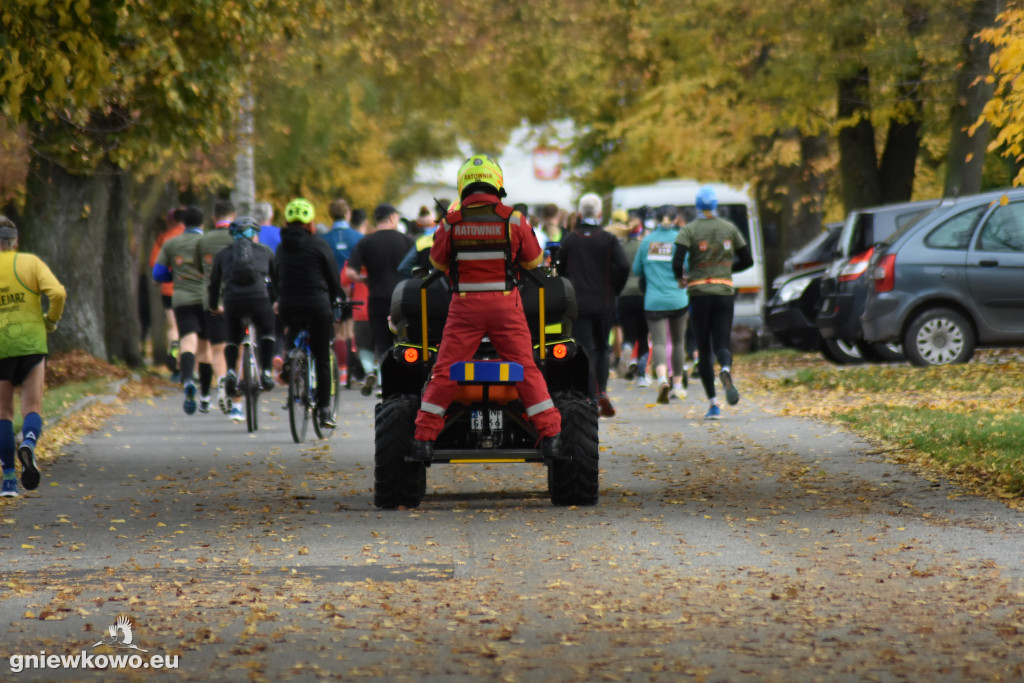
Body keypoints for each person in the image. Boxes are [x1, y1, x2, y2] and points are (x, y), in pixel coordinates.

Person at [411, 154, 561, 462]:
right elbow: (533, 262)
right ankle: (551, 437)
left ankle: (424, 441)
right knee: (525, 369)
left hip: (464, 308)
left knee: (445, 371)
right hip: (506, 307)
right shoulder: (514, 220)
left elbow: (436, 263)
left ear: (463, 186)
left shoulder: (450, 223)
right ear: (497, 183)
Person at [673, 186, 754, 419]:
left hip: (699, 293)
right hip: (724, 292)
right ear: (716, 205)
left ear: (697, 206)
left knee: (704, 347)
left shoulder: (689, 229)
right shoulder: (729, 227)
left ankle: (713, 404)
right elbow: (747, 259)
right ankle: (726, 369)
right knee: (722, 344)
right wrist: (728, 269)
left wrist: (682, 277)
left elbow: (677, 260)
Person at [0, 217, 66, 497]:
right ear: (15, 240)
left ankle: (9, 481)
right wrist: (50, 320)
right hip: (31, 343)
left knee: (3, 413)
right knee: (32, 408)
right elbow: (58, 293)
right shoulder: (30, 263)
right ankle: (28, 441)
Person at [556, 193, 629, 417]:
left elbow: (559, 268)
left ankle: (588, 395)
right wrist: (615, 289)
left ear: (579, 214)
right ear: (599, 214)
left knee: (584, 351)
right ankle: (602, 391)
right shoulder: (608, 239)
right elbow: (624, 266)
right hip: (604, 303)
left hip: (578, 305)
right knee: (602, 348)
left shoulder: (570, 239)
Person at [275, 198, 344, 429]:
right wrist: (338, 297)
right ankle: (324, 411)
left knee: (292, 329)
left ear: (286, 222)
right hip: (317, 305)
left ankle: (289, 361)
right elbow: (334, 279)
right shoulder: (319, 245)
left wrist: (279, 298)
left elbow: (276, 277)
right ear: (311, 223)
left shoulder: (280, 247)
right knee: (322, 357)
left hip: (288, 305)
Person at [207, 216, 277, 422]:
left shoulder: (222, 255)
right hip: (259, 300)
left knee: (232, 338)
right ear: (255, 235)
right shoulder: (265, 252)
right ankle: (266, 372)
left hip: (233, 300)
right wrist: (276, 301)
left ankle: (230, 372)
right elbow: (276, 281)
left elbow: (214, 284)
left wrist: (213, 306)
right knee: (267, 331)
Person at [344, 203, 414, 396]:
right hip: (402, 299)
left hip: (377, 298)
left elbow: (350, 272)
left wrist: (365, 280)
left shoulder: (366, 242)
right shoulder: (406, 240)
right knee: (403, 340)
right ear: (392, 218)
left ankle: (385, 384)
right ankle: (405, 383)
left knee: (382, 343)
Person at [153, 205, 214, 415]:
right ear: (203, 224)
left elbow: (158, 274)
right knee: (205, 349)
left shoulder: (171, 243)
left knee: (188, 340)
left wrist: (176, 277)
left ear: (183, 223)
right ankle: (205, 396)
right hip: (206, 299)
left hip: (181, 299)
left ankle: (188, 378)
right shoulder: (208, 242)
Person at [633, 207, 689, 405]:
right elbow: (689, 267)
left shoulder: (647, 241)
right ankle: (678, 386)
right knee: (678, 342)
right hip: (678, 299)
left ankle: (662, 379)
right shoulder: (681, 239)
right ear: (676, 218)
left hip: (654, 300)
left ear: (655, 219)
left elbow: (636, 269)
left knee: (658, 342)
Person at [196, 199, 237, 414]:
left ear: (214, 218)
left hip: (211, 300)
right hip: (238, 296)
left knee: (218, 348)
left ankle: (221, 380)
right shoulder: (238, 238)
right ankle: (236, 386)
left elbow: (199, 269)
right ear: (234, 215)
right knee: (238, 346)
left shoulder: (204, 241)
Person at [321, 198, 363, 382]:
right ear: (348, 214)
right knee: (351, 332)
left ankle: (343, 372)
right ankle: (354, 371)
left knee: (337, 332)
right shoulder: (358, 238)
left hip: (332, 289)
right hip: (354, 288)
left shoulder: (323, 239)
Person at [614, 213, 650, 386]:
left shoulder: (621, 248)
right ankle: (642, 375)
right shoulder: (644, 246)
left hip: (624, 295)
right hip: (643, 295)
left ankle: (627, 349)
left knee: (629, 334)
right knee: (643, 336)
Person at [149, 208, 185, 379]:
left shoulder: (165, 238)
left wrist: (158, 279)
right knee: (189, 328)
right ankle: (188, 366)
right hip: (190, 289)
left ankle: (175, 360)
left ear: (172, 221)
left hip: (169, 289)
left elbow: (154, 263)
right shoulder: (196, 237)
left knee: (173, 327)